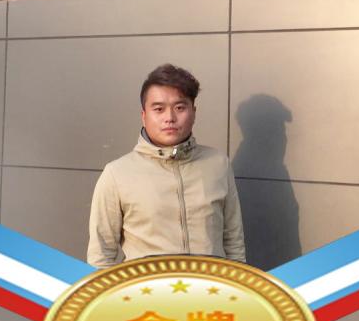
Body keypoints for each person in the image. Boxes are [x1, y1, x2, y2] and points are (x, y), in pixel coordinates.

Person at [87, 63, 246, 268]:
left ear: (193, 112)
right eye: (159, 109)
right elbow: (100, 257)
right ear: (144, 115)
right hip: (147, 288)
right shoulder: (117, 174)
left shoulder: (218, 165)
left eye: (180, 108)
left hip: (209, 287)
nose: (169, 118)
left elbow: (234, 243)